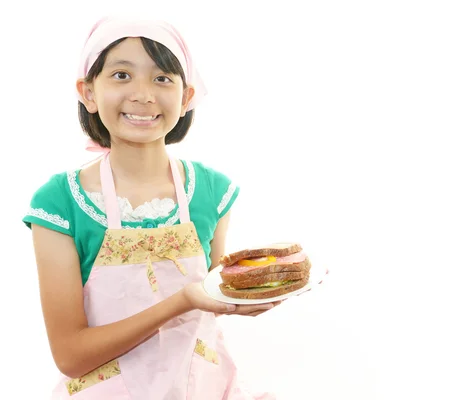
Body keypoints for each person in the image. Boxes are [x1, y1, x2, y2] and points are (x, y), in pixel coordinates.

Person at [22, 16, 280, 399]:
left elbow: (213, 292)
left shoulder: (212, 191)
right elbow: (71, 356)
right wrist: (180, 302)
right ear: (88, 92)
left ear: (186, 97)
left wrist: (251, 292)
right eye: (122, 75)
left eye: (162, 78)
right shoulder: (60, 202)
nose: (143, 94)